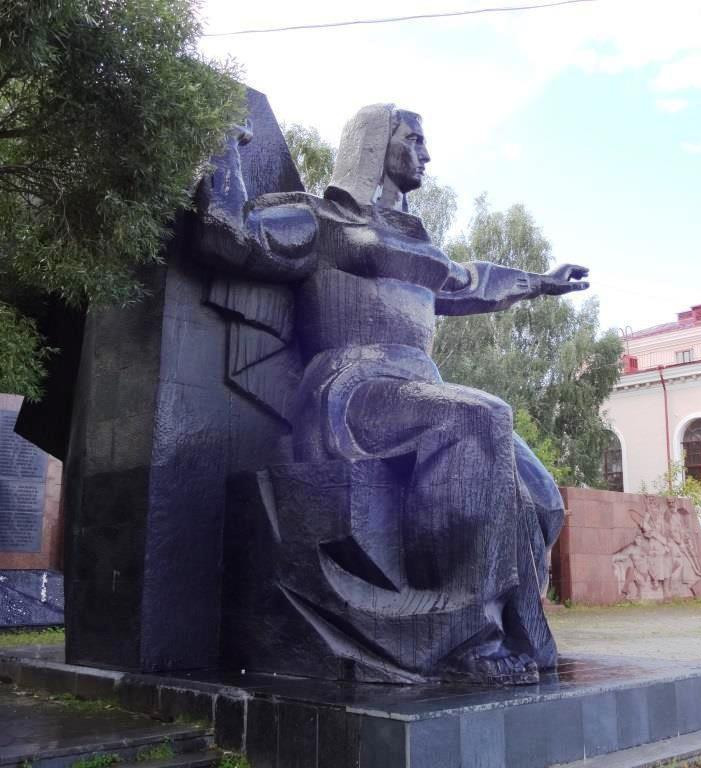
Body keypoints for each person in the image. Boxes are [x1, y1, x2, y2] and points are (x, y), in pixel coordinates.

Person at [196, 104, 589, 684]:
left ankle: (517, 626)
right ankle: (465, 639)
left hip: (415, 390)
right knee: (480, 419)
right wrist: (222, 151)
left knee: (541, 494)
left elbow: (472, 281)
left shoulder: (417, 240)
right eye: (415, 140)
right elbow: (232, 237)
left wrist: (541, 282)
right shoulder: (318, 219)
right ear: (376, 146)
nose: (426, 154)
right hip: (352, 389)